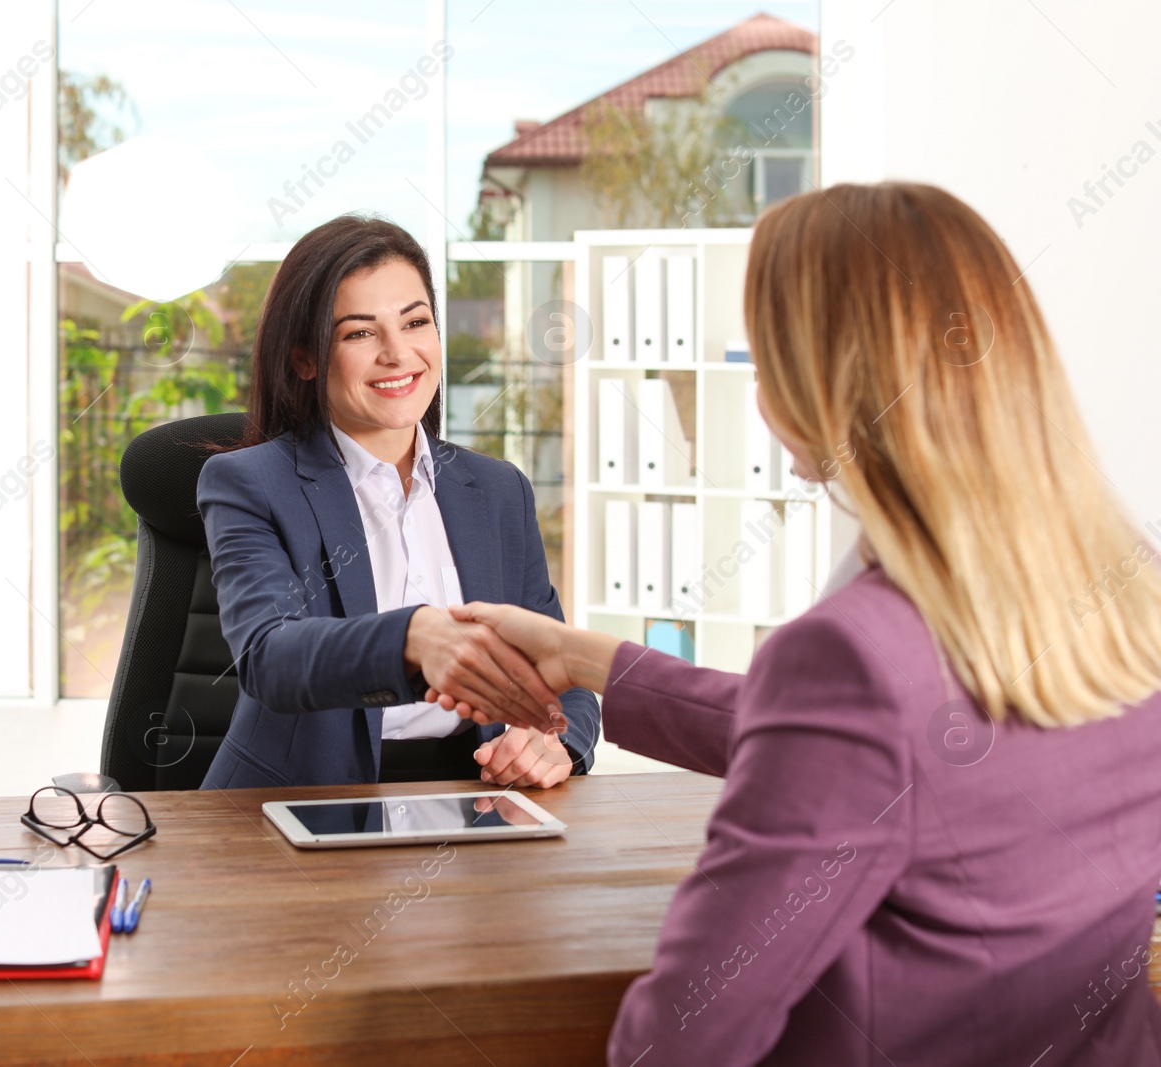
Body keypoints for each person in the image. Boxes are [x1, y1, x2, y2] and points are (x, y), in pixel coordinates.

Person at [428, 183, 1161, 1066]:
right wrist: (581, 656)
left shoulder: (853, 655)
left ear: (815, 382)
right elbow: (887, 754)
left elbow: (682, 1038)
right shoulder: (1126, 599)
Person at [197, 214, 599, 790]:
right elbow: (271, 656)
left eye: (415, 322)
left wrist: (558, 741)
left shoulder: (499, 490)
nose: (397, 353)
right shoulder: (249, 483)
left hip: (478, 797)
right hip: (297, 805)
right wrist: (414, 639)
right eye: (359, 333)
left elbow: (560, 667)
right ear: (305, 359)